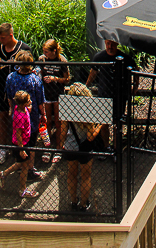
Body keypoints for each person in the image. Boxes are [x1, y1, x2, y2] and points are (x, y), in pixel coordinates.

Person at [0, 23, 32, 164]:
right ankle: (3, 148)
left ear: (10, 35)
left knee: (20, 118)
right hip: (2, 89)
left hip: (19, 92)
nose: (0, 40)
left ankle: (21, 148)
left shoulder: (24, 49)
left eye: (2, 38)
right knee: (2, 117)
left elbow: (32, 69)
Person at [86, 39, 138, 146]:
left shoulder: (125, 58)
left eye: (112, 45)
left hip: (120, 97)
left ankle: (116, 149)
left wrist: (136, 86)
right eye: (108, 44)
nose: (110, 47)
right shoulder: (99, 57)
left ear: (117, 44)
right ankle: (106, 147)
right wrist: (86, 87)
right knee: (103, 124)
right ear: (105, 43)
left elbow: (136, 70)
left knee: (117, 124)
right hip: (104, 96)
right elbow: (93, 73)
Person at [62, 83, 103, 212]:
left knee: (72, 174)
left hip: (70, 145)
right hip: (85, 146)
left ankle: (74, 201)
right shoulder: (88, 111)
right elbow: (90, 137)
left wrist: (60, 144)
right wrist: (101, 124)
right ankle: (83, 204)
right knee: (85, 176)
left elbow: (63, 131)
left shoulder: (67, 109)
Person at [4, 51, 45, 177]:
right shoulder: (35, 80)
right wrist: (43, 114)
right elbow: (40, 100)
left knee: (19, 138)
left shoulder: (11, 77)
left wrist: (12, 110)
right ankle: (30, 169)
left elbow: (9, 96)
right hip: (31, 117)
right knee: (31, 142)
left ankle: (19, 163)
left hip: (17, 114)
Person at [0, 90, 38, 199]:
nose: (30, 101)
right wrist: (21, 149)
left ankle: (3, 174)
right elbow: (18, 134)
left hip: (24, 142)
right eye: (29, 100)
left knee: (20, 163)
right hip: (21, 144)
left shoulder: (19, 109)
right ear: (24, 103)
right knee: (24, 166)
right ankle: (22, 189)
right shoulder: (20, 117)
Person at [38, 39, 70, 164]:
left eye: (47, 52)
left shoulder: (61, 60)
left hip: (57, 94)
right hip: (45, 94)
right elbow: (39, 72)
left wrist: (54, 78)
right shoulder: (42, 59)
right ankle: (47, 147)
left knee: (58, 121)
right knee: (47, 121)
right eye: (44, 52)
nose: (45, 54)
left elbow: (67, 79)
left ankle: (58, 148)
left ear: (54, 51)